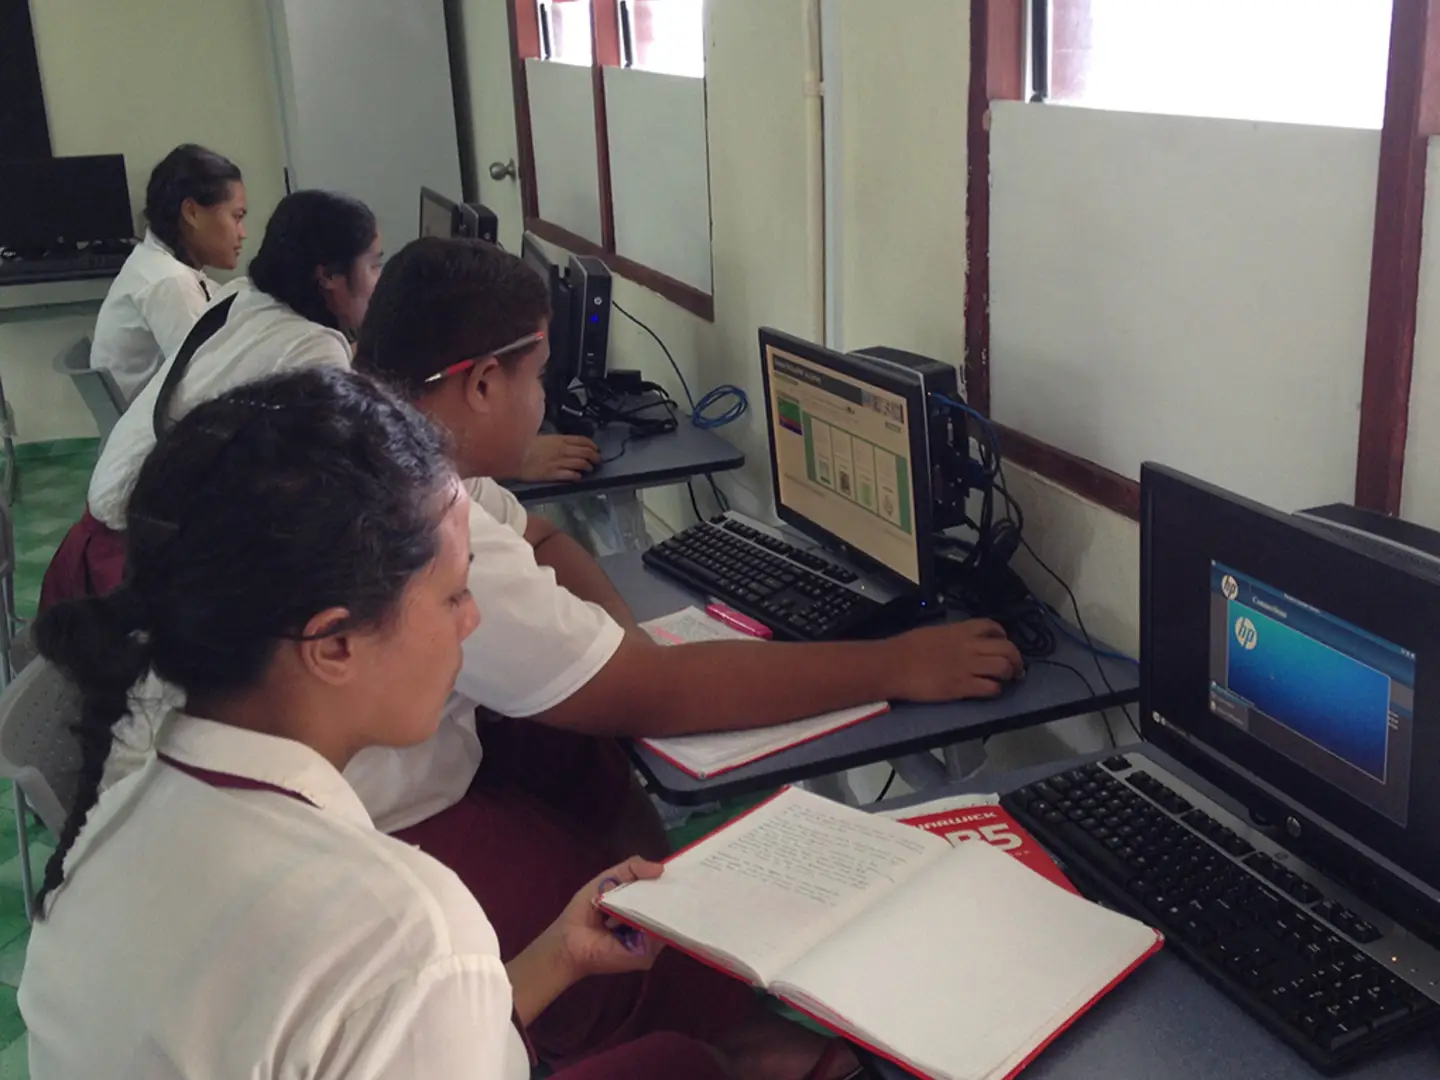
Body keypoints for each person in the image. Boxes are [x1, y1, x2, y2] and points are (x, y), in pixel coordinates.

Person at [346, 236, 1023, 1067]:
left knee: (585, 744)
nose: (545, 399)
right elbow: (654, 693)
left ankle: (673, 917)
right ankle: (760, 1040)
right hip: (387, 834)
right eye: (540, 375)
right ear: (483, 382)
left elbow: (550, 534)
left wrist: (616, 647)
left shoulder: (382, 437)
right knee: (617, 880)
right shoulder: (428, 514)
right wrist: (902, 666)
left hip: (372, 791)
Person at [21, 367, 745, 1080]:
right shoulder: (402, 925)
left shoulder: (106, 829)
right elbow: (379, 1003)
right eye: (454, 595)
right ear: (334, 644)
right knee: (688, 1066)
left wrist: (555, 957)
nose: (474, 618)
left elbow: (348, 1040)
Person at [39, 188, 382, 613]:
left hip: (112, 522)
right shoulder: (313, 347)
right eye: (374, 264)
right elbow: (345, 468)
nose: (378, 282)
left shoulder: (242, 295)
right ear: (328, 275)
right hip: (134, 561)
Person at [90, 144, 247, 401]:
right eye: (237, 217)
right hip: (160, 431)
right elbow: (211, 382)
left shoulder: (155, 262)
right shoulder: (169, 282)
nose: (242, 233)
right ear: (192, 212)